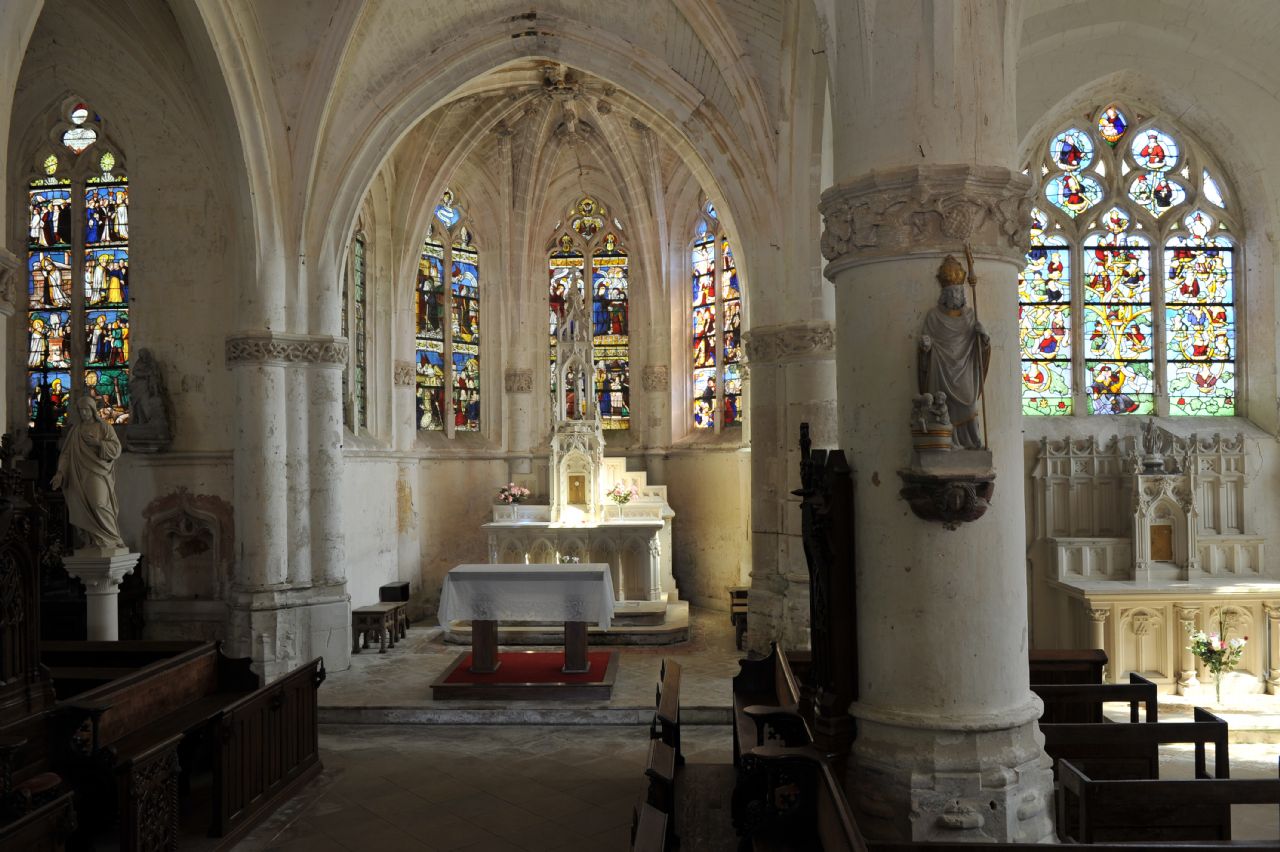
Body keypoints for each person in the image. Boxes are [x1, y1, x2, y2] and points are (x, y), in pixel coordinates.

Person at [918, 255, 990, 449]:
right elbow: (926, 343)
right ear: (944, 294)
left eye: (958, 292)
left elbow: (980, 345)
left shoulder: (970, 316)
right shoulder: (933, 316)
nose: (955, 296)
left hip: (964, 367)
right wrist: (926, 346)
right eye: (951, 293)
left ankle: (973, 442)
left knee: (969, 404)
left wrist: (983, 337)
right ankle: (947, 441)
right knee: (942, 405)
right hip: (941, 367)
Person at [51, 395, 126, 550]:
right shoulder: (76, 431)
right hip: (78, 473)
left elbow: (116, 449)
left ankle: (112, 538)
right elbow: (66, 454)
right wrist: (60, 473)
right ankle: (93, 541)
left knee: (99, 504)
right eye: (81, 410)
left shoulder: (104, 427)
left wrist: (98, 444)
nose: (84, 413)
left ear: (93, 410)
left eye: (86, 409)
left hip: (97, 472)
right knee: (84, 507)